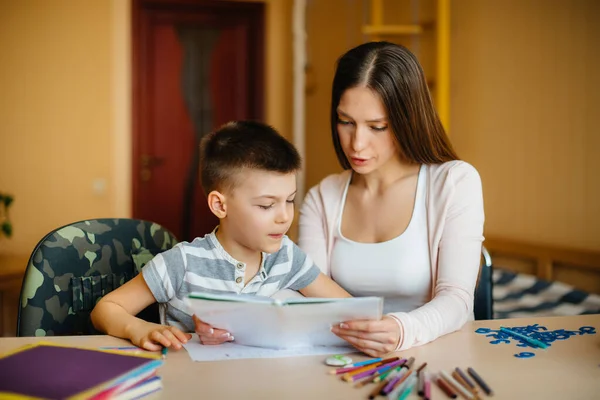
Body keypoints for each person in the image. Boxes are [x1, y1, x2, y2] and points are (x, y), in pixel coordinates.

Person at [91, 121, 350, 351]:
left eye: (290, 200)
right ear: (219, 205)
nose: (284, 216)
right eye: (266, 205)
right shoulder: (183, 262)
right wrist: (139, 329)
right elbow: (106, 309)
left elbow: (349, 309)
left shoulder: (287, 257)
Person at [298, 41, 485, 357]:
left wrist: (401, 330)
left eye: (377, 127)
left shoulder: (454, 182)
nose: (357, 143)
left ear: (406, 120)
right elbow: (304, 293)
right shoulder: (323, 197)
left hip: (440, 358)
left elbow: (456, 298)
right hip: (347, 361)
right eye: (346, 122)